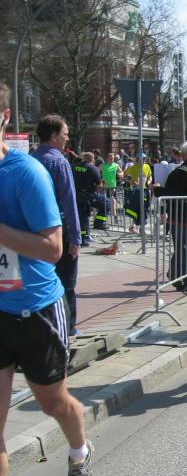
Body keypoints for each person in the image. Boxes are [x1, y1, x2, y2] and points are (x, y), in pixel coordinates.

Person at [0, 82, 94, 476]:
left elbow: (53, 247)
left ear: (3, 118)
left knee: (53, 402)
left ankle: (79, 451)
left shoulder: (26, 172)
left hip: (35, 308)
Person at [31, 115, 82, 335]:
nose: (67, 138)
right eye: (65, 134)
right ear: (53, 136)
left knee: (39, 280)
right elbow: (69, 201)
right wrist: (76, 238)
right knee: (66, 282)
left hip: (32, 231)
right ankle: (68, 328)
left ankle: (41, 326)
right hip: (59, 229)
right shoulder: (59, 161)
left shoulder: (29, 160)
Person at [153, 141, 187, 292]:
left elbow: (169, 194)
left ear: (183, 155)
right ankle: (174, 274)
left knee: (182, 247)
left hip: (181, 216)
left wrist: (157, 190)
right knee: (183, 246)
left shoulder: (178, 172)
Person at [72, 152, 103, 245]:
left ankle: (83, 238)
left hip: (77, 195)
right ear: (92, 159)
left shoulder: (76, 167)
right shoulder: (92, 168)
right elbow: (99, 184)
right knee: (107, 203)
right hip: (88, 195)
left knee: (83, 217)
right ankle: (100, 223)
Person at [102, 152, 124, 217]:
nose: (112, 160)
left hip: (112, 186)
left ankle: (114, 216)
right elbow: (96, 171)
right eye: (111, 158)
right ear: (107, 158)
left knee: (113, 201)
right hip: (104, 186)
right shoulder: (103, 165)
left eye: (113, 158)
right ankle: (106, 215)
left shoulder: (116, 165)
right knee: (107, 201)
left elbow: (121, 172)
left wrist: (120, 174)